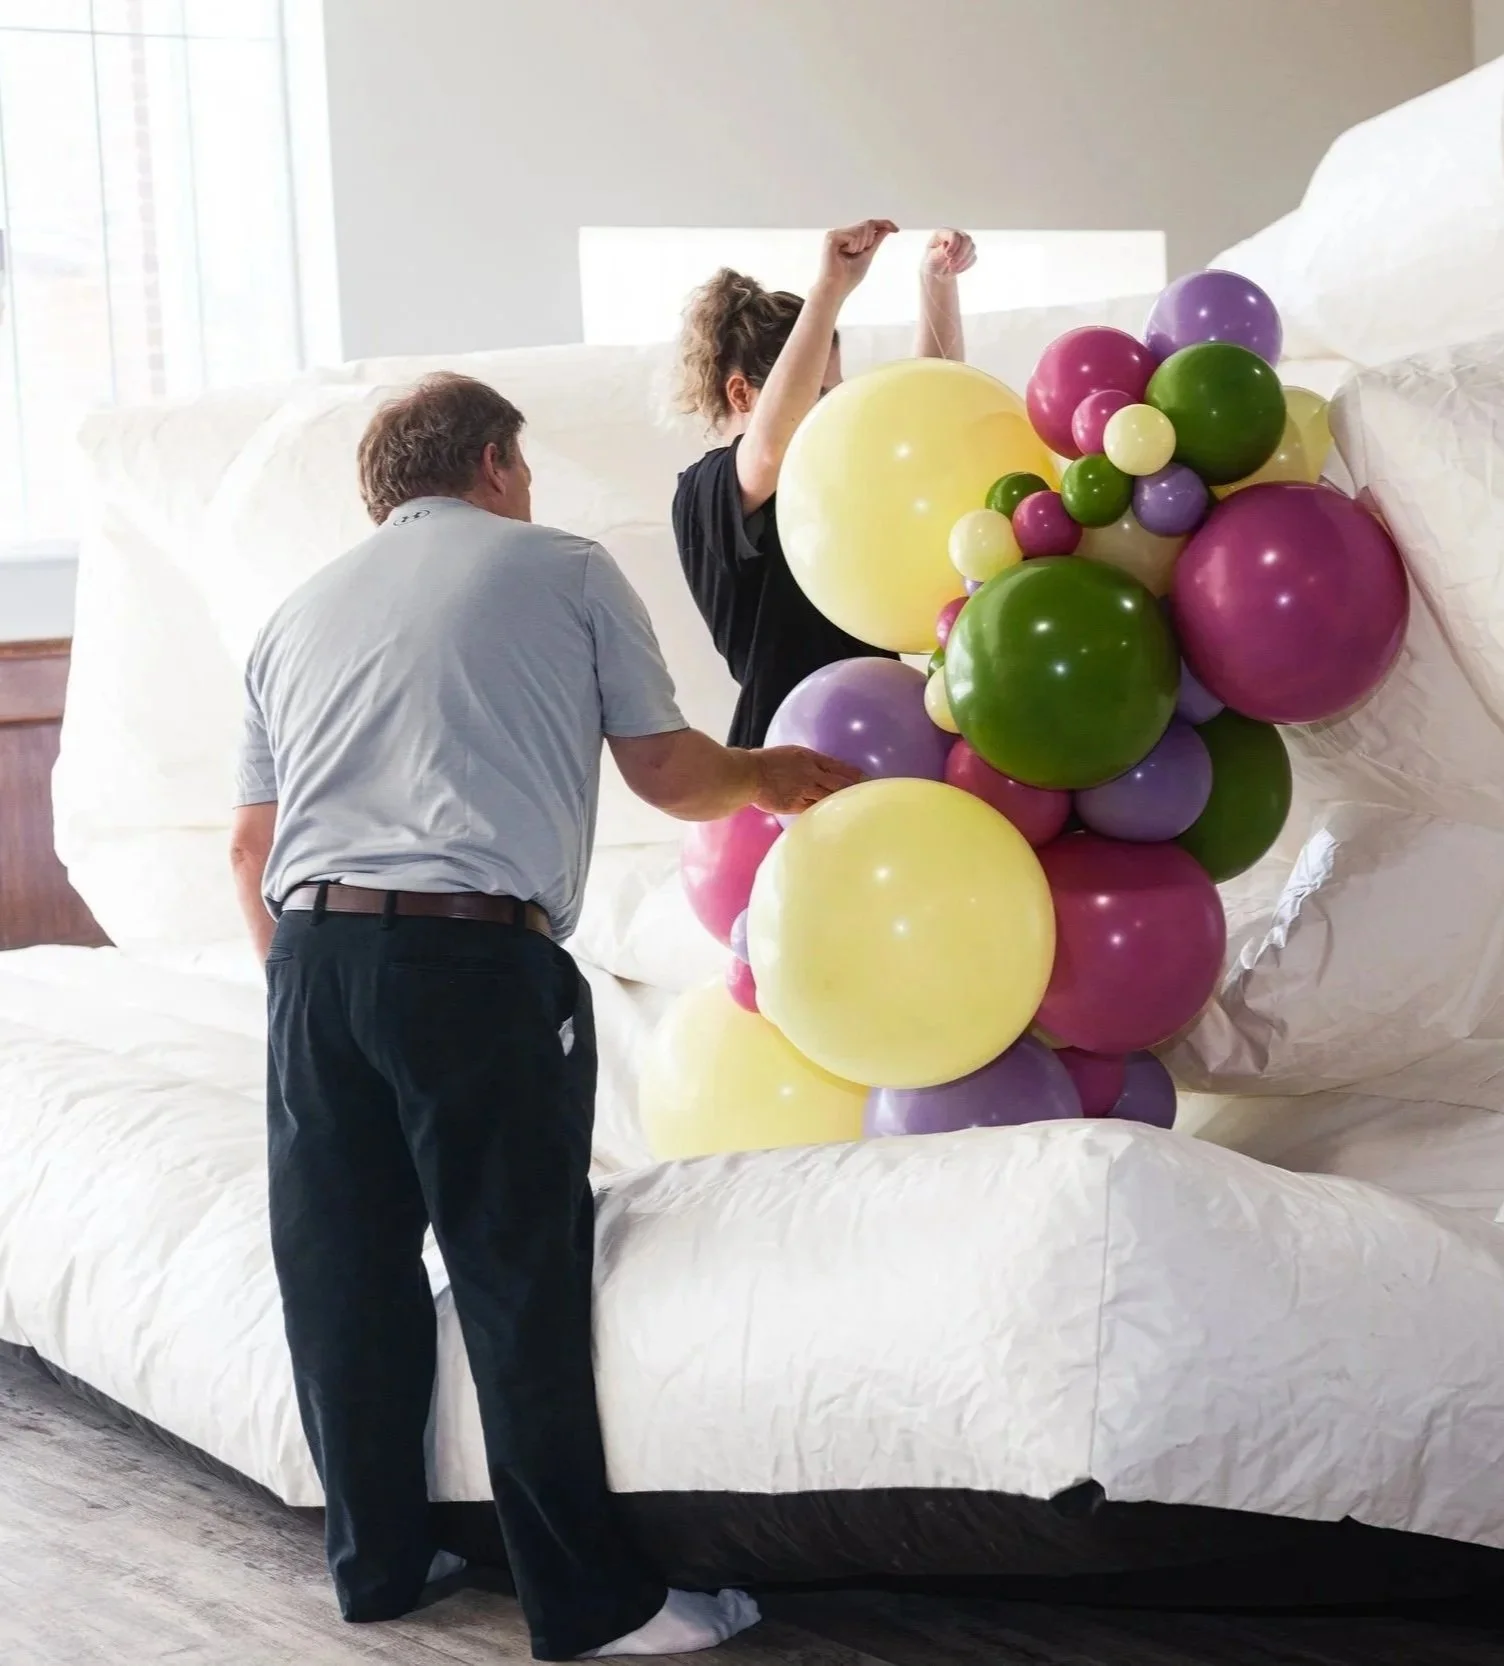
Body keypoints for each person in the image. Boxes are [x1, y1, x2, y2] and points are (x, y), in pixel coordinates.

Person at [228, 372, 857, 1661]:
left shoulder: (293, 616)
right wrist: (774, 777)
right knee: (520, 1274)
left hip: (308, 963)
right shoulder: (562, 568)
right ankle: (588, 1603)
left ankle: (380, 1566)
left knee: (343, 1282)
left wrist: (314, 981)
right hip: (471, 961)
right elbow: (669, 768)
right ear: (498, 463)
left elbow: (250, 847)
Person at [671, 222, 977, 747]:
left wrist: (936, 280)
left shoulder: (838, 470)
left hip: (889, 726)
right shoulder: (706, 489)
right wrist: (830, 289)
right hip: (790, 746)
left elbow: (931, 404)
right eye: (815, 394)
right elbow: (768, 451)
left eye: (833, 391)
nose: (829, 409)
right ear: (743, 394)